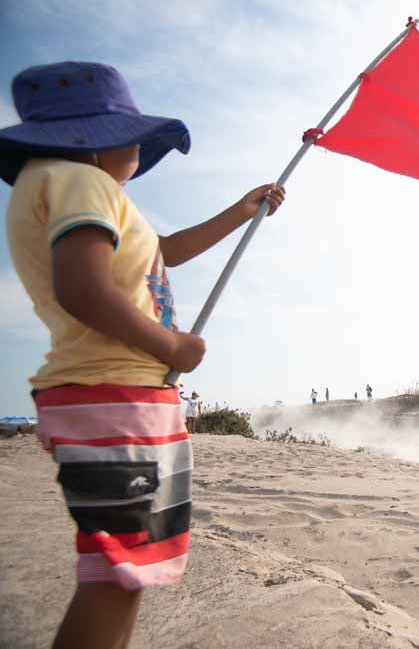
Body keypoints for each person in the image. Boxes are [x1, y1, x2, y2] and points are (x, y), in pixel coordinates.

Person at [2, 61, 286, 649]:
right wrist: (171, 345)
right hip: (114, 392)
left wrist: (243, 209)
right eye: (131, 136)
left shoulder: (59, 184)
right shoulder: (81, 182)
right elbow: (82, 290)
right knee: (117, 574)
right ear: (97, 140)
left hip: (108, 392)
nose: (137, 147)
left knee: (121, 571)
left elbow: (166, 252)